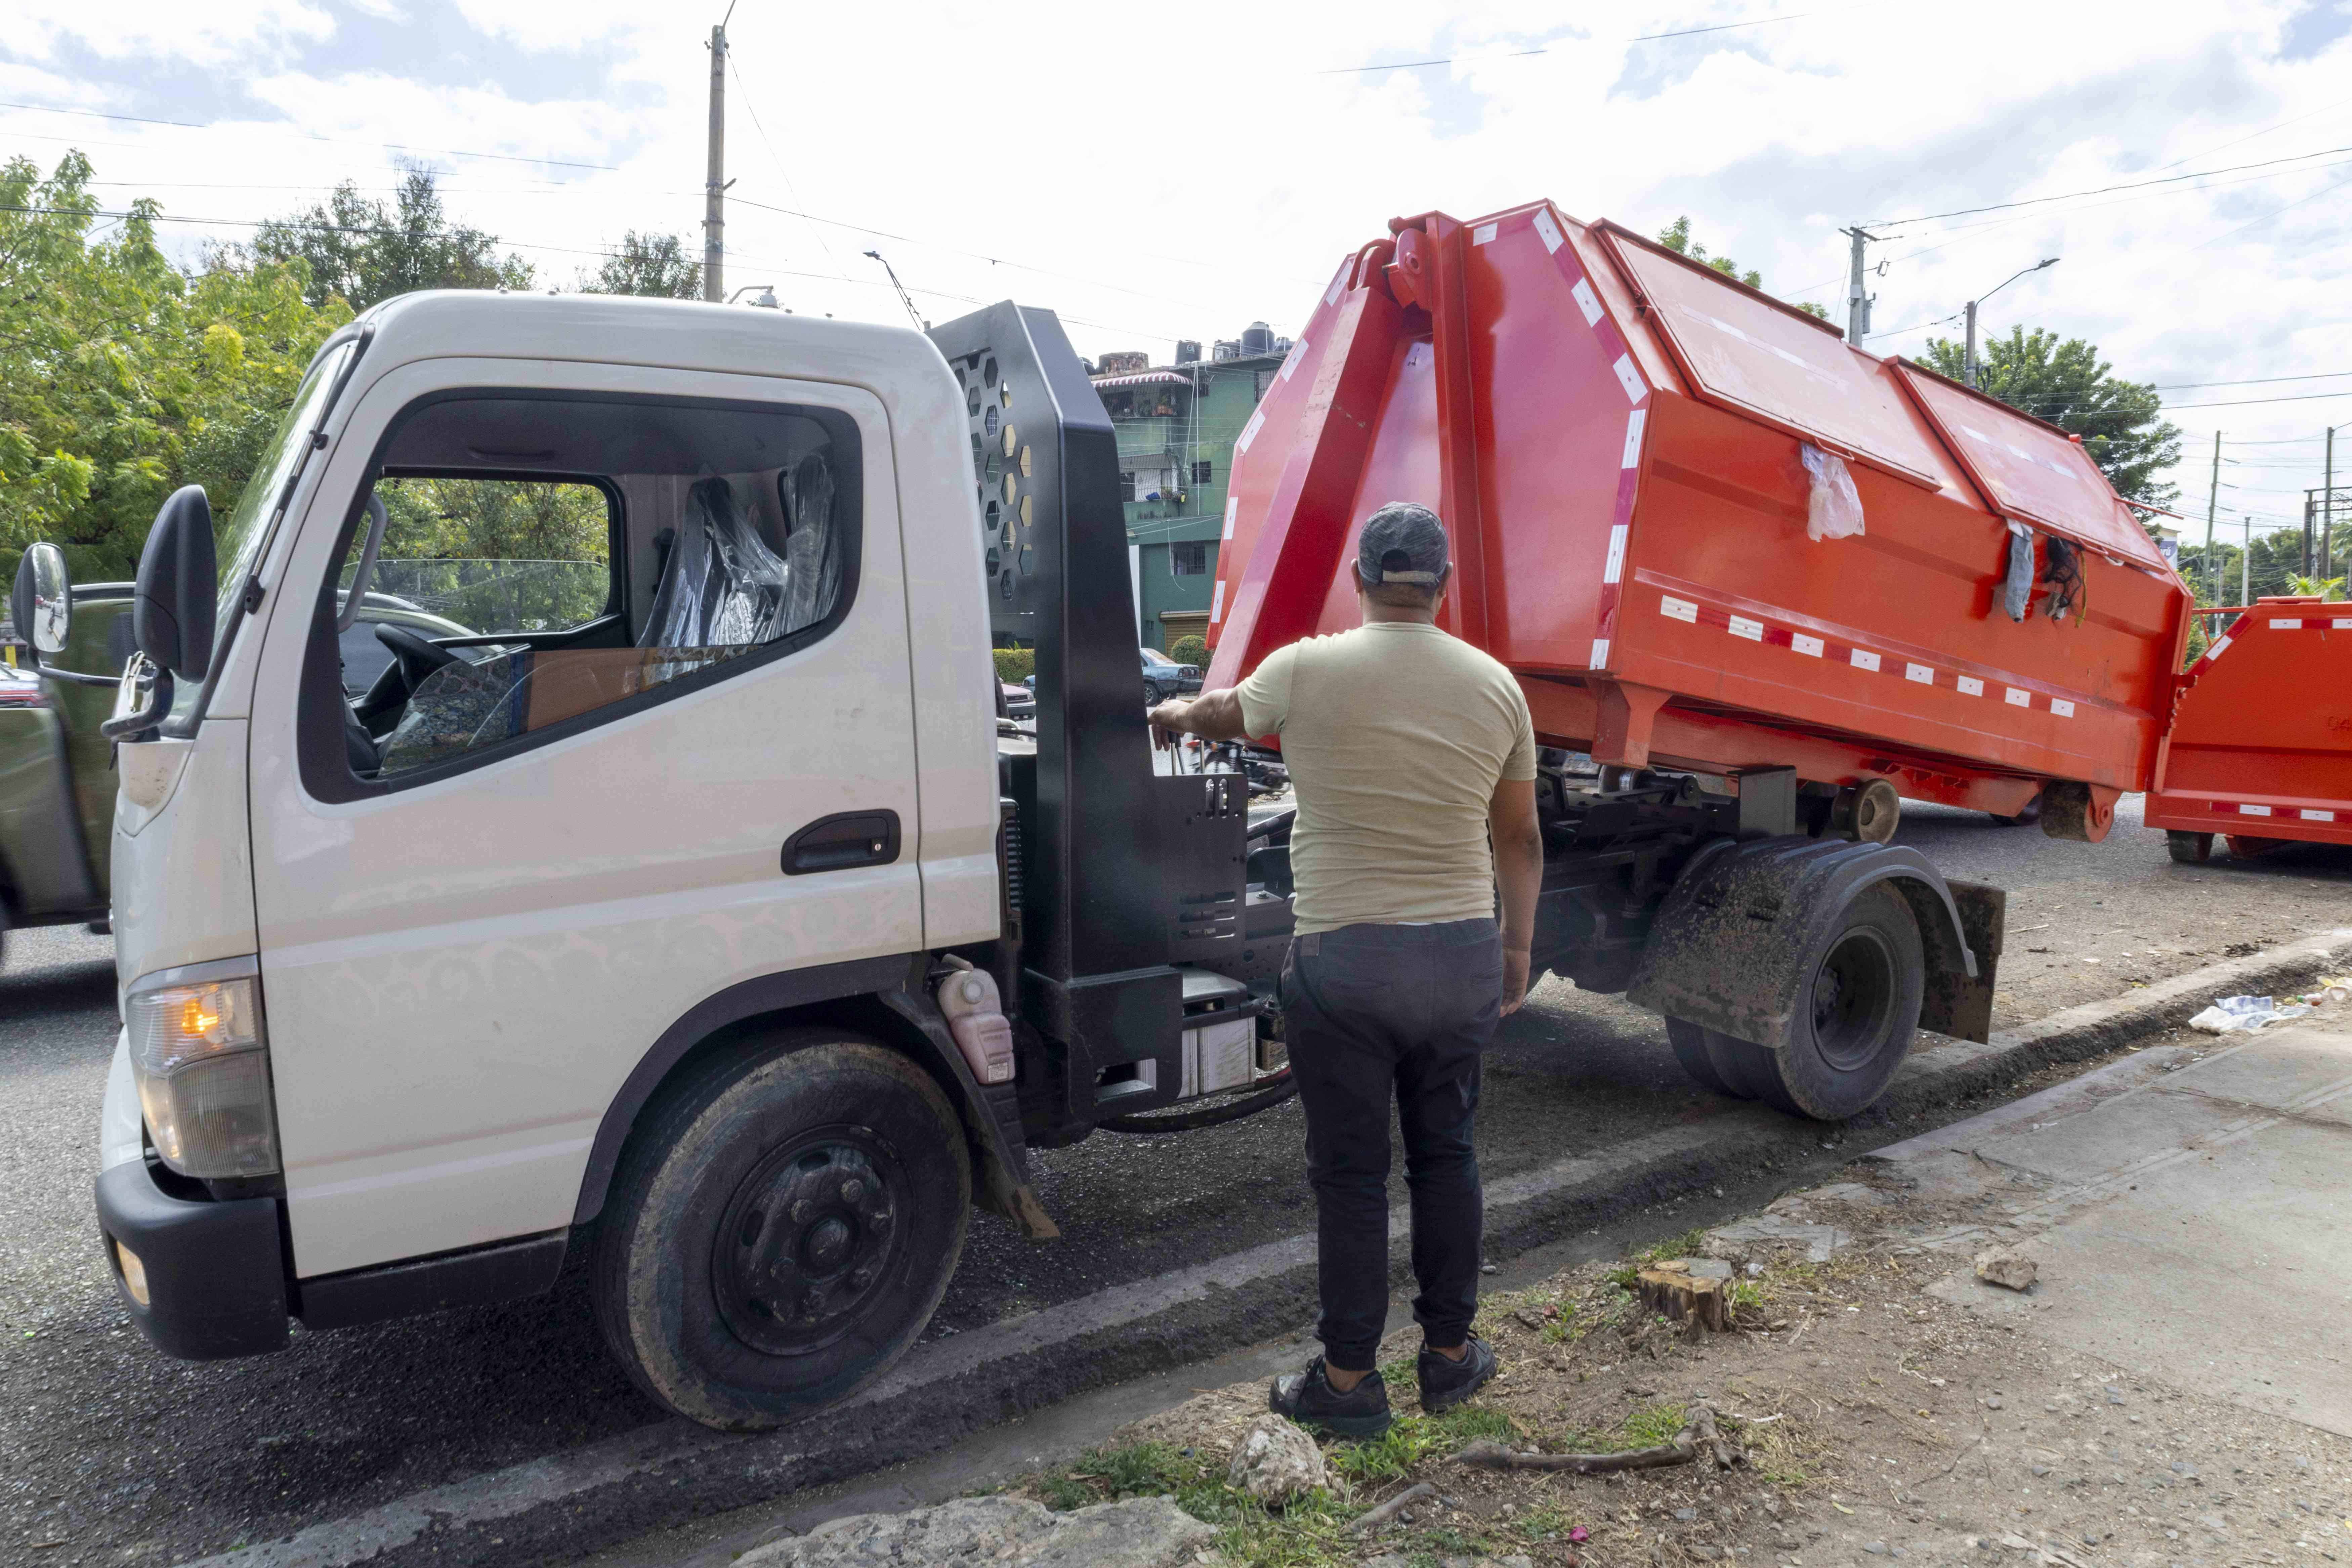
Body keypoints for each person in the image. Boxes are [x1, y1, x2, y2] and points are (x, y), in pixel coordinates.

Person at [1148, 500, 1544, 1438]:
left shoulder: (1304, 668)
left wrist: (1170, 707)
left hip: (1345, 965)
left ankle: (1349, 1380)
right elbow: (1520, 835)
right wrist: (1516, 951)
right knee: (1448, 1156)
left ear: (1360, 580)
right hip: (1457, 958)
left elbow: (1219, 711)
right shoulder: (1497, 688)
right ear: (1443, 587)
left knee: (1354, 1179)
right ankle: (1451, 1359)